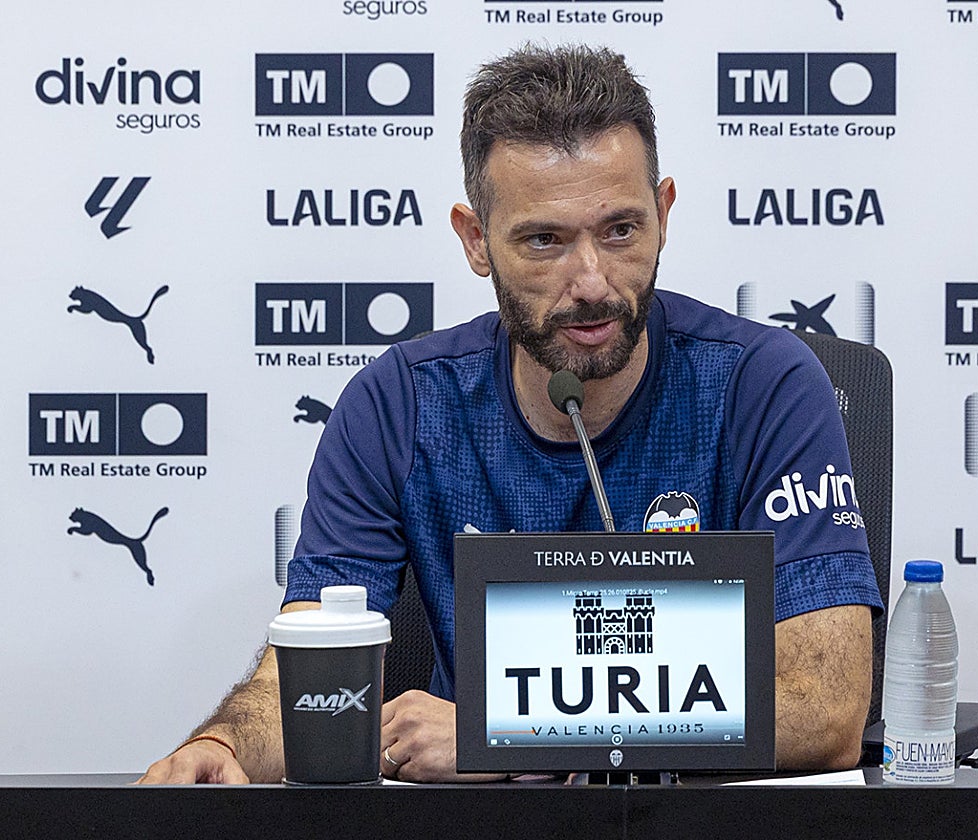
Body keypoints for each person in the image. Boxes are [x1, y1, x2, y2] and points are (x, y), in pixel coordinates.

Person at [139, 43, 883, 785]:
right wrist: (225, 746)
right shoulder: (399, 404)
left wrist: (501, 731)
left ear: (663, 214)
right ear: (476, 241)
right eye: (544, 240)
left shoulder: (765, 384)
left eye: (621, 231)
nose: (591, 282)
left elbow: (827, 708)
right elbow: (312, 681)